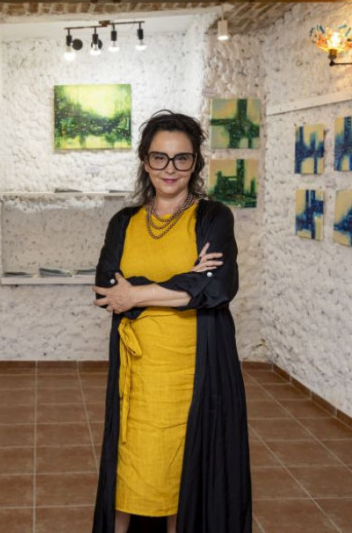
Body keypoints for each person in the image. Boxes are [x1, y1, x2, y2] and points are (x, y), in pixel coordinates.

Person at [91, 111, 252, 533]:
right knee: (132, 465)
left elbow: (218, 287)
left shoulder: (213, 216)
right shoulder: (124, 222)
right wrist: (185, 282)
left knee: (185, 472)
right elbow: (106, 289)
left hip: (196, 369)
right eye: (159, 157)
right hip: (139, 370)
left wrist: (137, 293)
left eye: (182, 158)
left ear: (195, 163)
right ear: (145, 161)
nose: (170, 168)